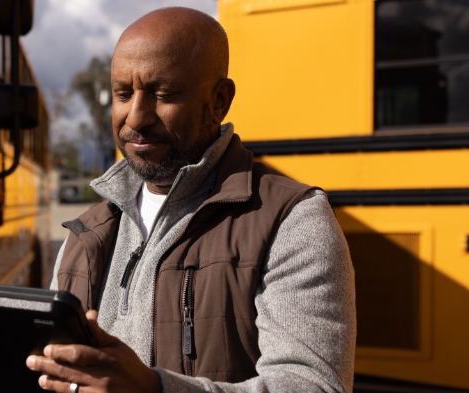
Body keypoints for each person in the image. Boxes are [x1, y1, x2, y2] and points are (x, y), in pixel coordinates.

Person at [26, 7, 356, 393]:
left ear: (219, 101)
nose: (136, 117)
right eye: (122, 94)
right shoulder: (85, 232)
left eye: (163, 94)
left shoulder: (292, 220)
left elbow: (313, 387)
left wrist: (155, 388)